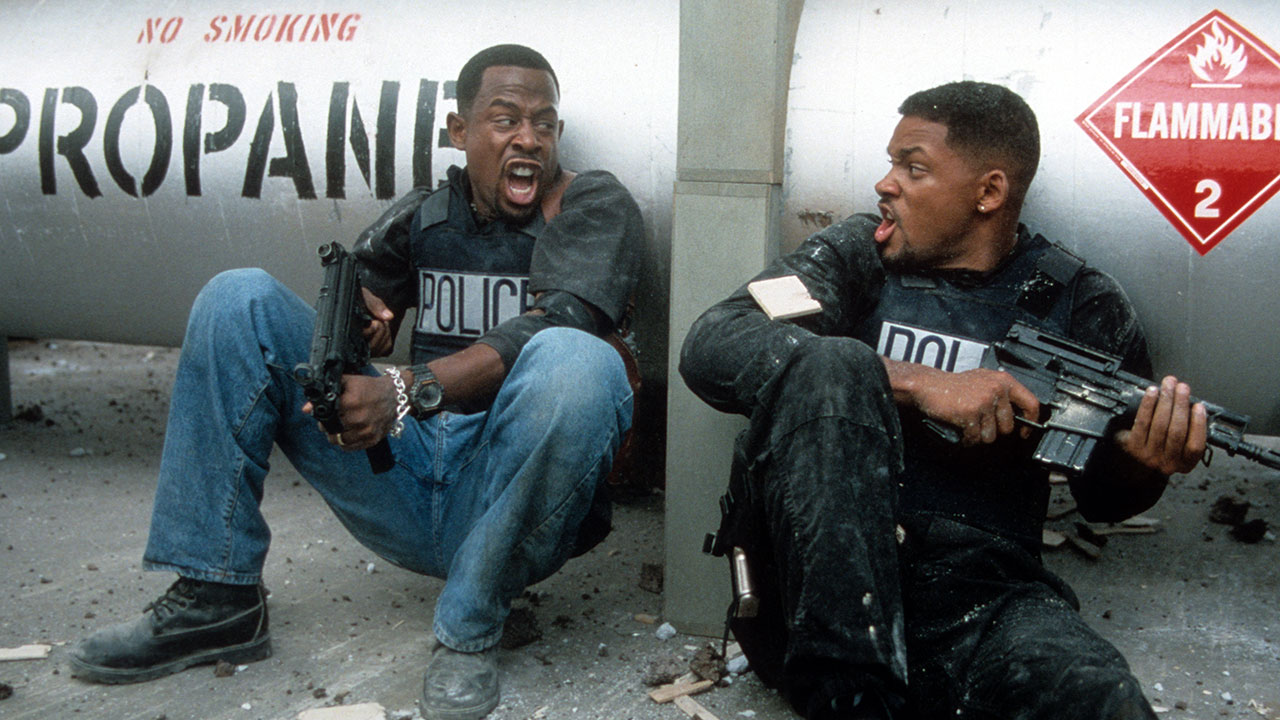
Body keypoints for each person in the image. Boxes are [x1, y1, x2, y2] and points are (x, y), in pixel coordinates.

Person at [69, 43, 643, 720]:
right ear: (460, 131)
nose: (529, 138)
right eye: (506, 119)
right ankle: (216, 597)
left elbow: (564, 319)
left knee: (579, 359)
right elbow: (358, 298)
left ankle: (470, 624)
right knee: (237, 298)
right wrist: (357, 326)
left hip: (505, 488)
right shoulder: (427, 214)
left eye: (544, 123)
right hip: (401, 472)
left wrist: (403, 390)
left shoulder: (590, 204)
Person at [679, 81, 1207, 720]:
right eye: (892, 163)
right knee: (835, 361)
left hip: (980, 595)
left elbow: (1103, 498)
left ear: (989, 192)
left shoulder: (1080, 302)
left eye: (914, 167)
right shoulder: (858, 255)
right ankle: (851, 694)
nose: (886, 184)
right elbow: (717, 340)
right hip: (818, 590)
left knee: (1100, 699)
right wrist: (922, 383)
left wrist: (1144, 462)